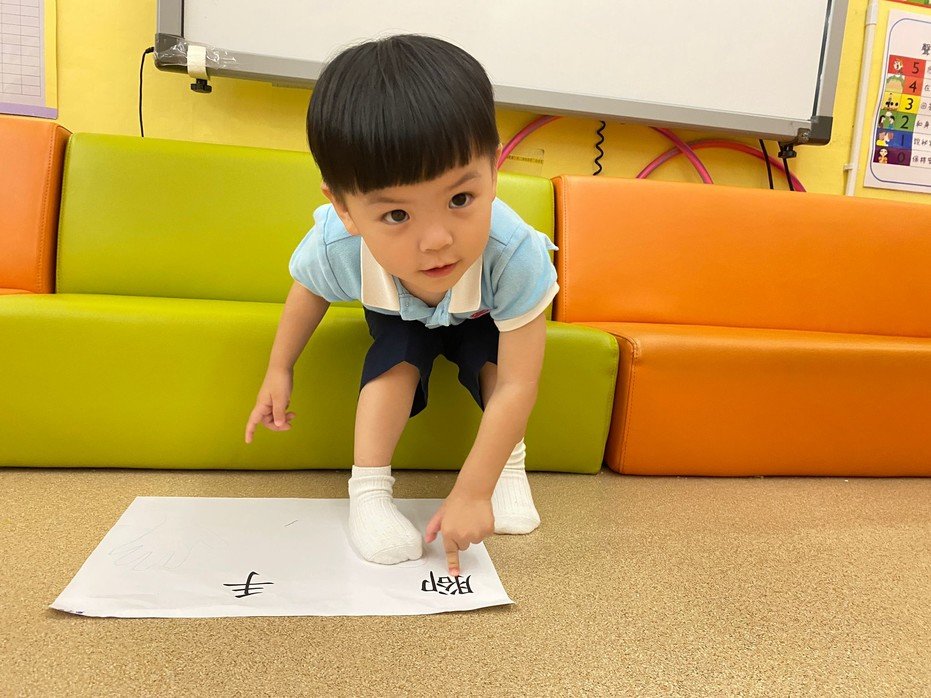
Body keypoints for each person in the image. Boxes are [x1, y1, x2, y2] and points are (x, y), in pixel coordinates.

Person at [244, 34, 558, 577]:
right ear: (344, 209)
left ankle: (510, 467)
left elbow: (517, 383)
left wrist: (473, 490)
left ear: (493, 168)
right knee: (396, 360)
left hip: (481, 315)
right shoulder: (337, 244)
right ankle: (368, 493)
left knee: (490, 360)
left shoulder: (514, 254)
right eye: (396, 215)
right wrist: (279, 367)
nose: (437, 241)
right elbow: (308, 290)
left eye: (461, 198)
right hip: (400, 313)